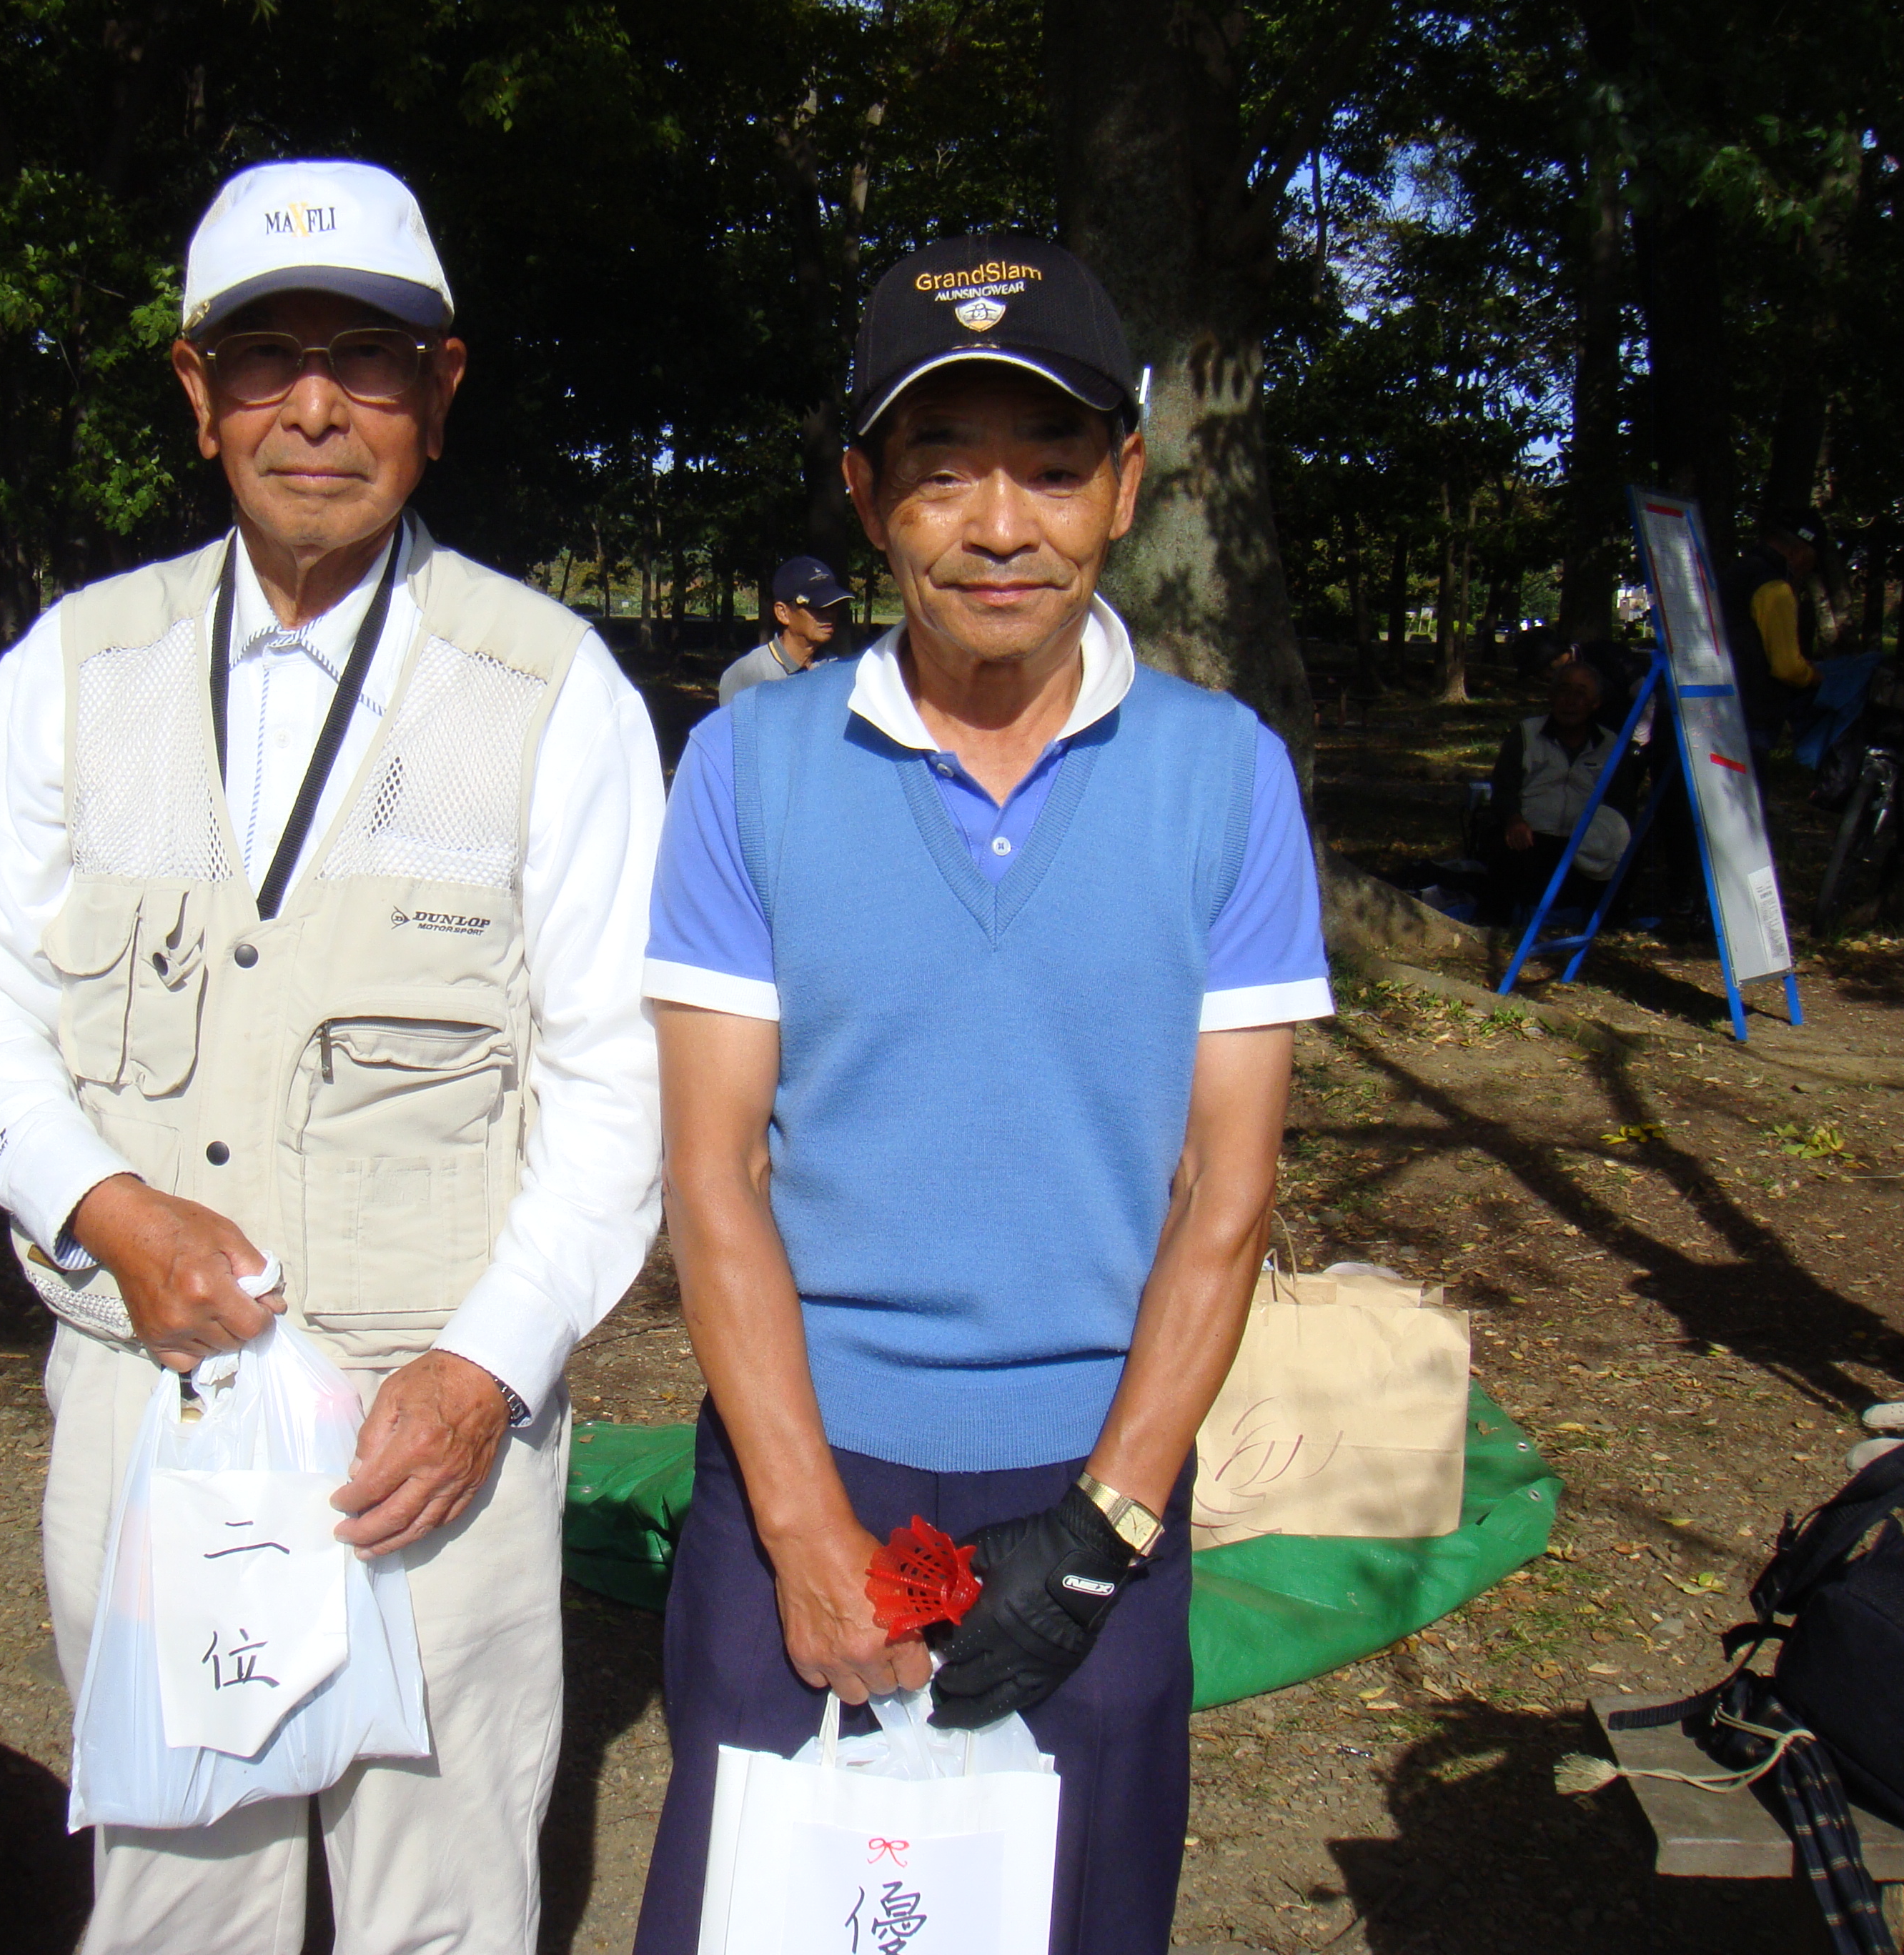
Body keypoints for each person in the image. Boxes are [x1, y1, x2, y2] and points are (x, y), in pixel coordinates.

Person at [0, 159, 665, 1955]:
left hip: (438, 1427)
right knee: (176, 1887)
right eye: (266, 357)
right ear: (195, 391)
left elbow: (620, 1077)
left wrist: (486, 1368)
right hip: (145, 1398)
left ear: (442, 391)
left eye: (368, 357)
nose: (315, 405)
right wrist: (99, 1200)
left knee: (443, 1892)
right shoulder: (73, 669)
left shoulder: (553, 688)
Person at [631, 233, 1331, 1955]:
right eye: (943, 472)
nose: (1001, 524)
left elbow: (1220, 1195)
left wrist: (1102, 1527)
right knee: (771, 1909)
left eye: (1052, 466)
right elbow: (713, 1173)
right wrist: (801, 1528)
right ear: (867, 495)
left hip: (1097, 1465)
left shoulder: (1224, 778)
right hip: (802, 1449)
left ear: (1128, 483)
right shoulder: (749, 766)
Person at [1487, 658, 1635, 918]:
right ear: (1551, 696)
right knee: (1502, 848)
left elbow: (1620, 802)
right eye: (1564, 691)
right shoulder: (1526, 734)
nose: (1571, 700)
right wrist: (1514, 820)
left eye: (1581, 693)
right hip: (1532, 837)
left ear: (1595, 703)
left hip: (1585, 843)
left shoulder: (1610, 744)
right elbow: (1503, 788)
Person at [1718, 507, 1837, 767]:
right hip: (1749, 715)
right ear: (1798, 553)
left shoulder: (1736, 572)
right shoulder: (1774, 588)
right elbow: (1787, 667)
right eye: (1811, 563)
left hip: (1718, 706)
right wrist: (1818, 677)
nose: (1807, 572)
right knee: (1746, 802)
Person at [717, 554, 853, 702]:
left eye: (833, 605)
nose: (829, 613)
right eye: (817, 606)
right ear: (783, 613)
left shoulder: (838, 669)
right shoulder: (747, 675)